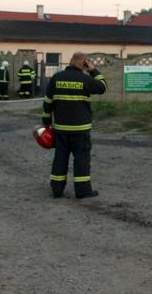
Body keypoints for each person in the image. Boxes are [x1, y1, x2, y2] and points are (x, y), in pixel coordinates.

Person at [42, 52, 106, 199]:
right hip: (80, 130)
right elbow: (103, 87)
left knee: (60, 159)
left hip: (61, 129)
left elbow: (47, 102)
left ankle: (57, 190)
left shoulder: (56, 78)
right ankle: (82, 191)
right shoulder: (85, 79)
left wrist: (46, 123)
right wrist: (93, 71)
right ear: (84, 64)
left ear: (70, 61)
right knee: (81, 160)